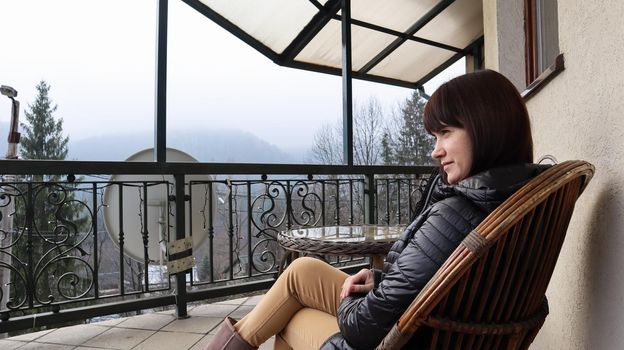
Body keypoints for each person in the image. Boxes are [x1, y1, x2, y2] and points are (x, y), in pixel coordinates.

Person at [204, 69, 545, 350]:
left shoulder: (457, 214)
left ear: (486, 130)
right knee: (301, 271)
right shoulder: (514, 199)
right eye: (433, 137)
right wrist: (381, 279)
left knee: (292, 318)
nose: (435, 152)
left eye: (444, 133)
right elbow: (436, 283)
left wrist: (355, 300)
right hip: (432, 324)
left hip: (405, 338)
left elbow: (362, 329)